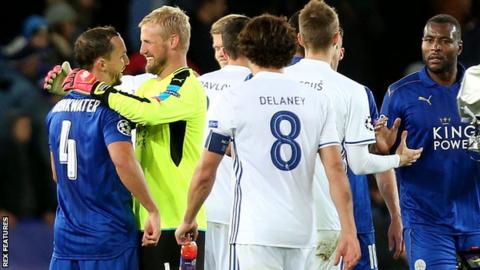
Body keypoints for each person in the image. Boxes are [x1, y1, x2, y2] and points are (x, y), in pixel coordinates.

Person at [175, 13, 361, 270]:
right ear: (289, 49)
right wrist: (349, 231)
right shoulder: (316, 100)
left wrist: (189, 217)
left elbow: (206, 171)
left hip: (255, 232)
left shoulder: (234, 98)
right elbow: (336, 170)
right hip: (302, 232)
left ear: (247, 50)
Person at [56, 6, 208, 270]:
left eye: (148, 42)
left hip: (177, 221)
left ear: (173, 41)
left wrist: (94, 87)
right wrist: (73, 91)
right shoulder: (148, 85)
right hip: (144, 220)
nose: (142, 50)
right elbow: (118, 98)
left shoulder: (187, 85)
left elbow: (146, 111)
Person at [284, 1, 421, 269]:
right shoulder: (354, 91)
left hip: (288, 219)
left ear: (300, 39)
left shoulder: (275, 83)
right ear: (336, 39)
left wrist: (395, 213)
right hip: (346, 220)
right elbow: (363, 162)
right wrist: (398, 160)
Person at [45, 26, 160, 270]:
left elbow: (57, 174)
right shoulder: (109, 113)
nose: (128, 62)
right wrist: (151, 209)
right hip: (108, 240)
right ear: (102, 64)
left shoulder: (55, 111)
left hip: (66, 240)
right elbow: (124, 162)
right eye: (121, 56)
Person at [380, 14, 480, 269]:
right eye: (428, 39)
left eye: (444, 41)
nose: (434, 47)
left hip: (475, 222)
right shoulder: (400, 94)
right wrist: (379, 148)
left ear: (459, 46)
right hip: (427, 225)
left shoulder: (477, 87)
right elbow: (378, 156)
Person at [197, 14, 250, 270]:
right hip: (243, 210)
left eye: (221, 47)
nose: (219, 53)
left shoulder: (196, 85)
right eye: (215, 48)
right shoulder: (256, 86)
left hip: (204, 206)